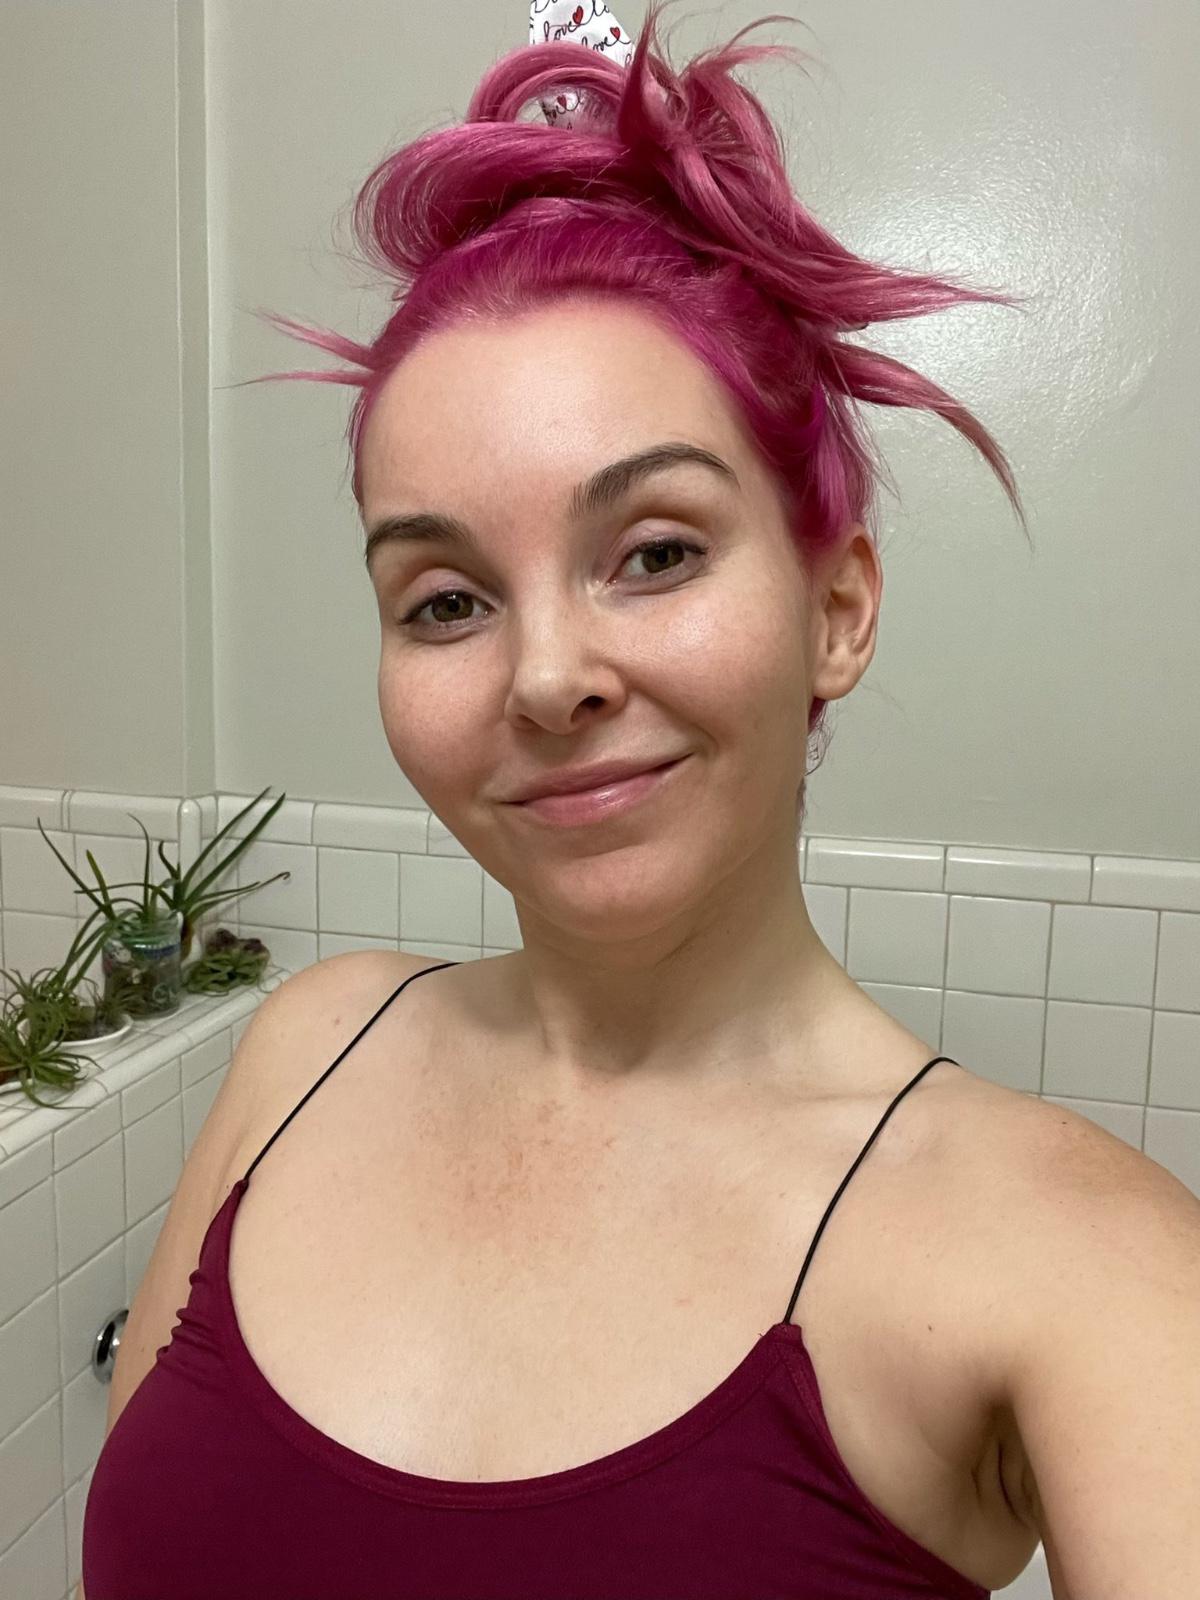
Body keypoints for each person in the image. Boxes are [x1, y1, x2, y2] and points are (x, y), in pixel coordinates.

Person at [83, 6, 1200, 1598]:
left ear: (837, 611)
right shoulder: (304, 1051)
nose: (548, 677)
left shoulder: (1072, 1255)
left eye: (656, 553)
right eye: (445, 599)